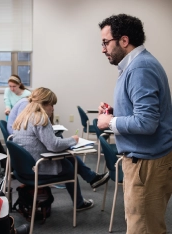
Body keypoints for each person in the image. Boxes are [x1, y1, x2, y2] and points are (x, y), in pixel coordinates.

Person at [97, 14, 172, 234]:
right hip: (145, 162)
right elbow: (142, 112)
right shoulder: (135, 66)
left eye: (105, 42)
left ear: (123, 40)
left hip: (146, 165)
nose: (103, 49)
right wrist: (116, 112)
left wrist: (110, 121)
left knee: (144, 228)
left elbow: (147, 123)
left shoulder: (140, 69)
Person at [12, 88, 110, 211]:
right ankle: (80, 201)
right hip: (38, 167)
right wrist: (74, 140)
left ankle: (92, 178)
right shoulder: (40, 118)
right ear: (44, 103)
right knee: (70, 167)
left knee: (69, 157)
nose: (53, 109)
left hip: (23, 168)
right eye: (52, 105)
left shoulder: (23, 116)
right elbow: (54, 145)